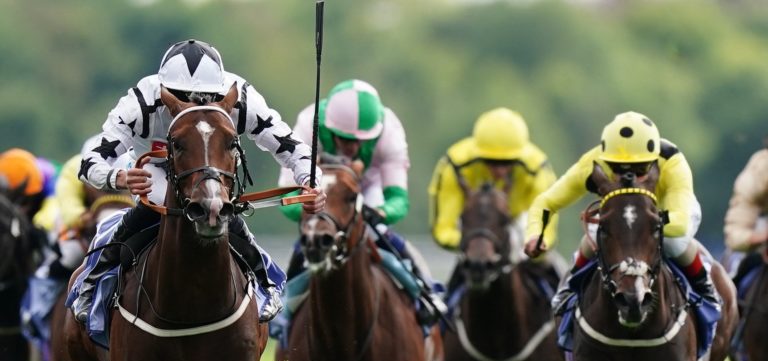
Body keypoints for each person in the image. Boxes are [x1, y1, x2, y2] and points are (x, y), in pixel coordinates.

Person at [72, 39, 325, 324]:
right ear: (164, 90)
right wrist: (119, 177)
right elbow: (88, 162)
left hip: (215, 171)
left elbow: (291, 147)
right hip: (157, 170)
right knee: (154, 203)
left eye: (207, 98)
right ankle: (92, 282)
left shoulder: (242, 97)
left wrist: (312, 181)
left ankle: (266, 281)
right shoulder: (141, 101)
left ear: (221, 91)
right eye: (182, 96)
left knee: (219, 205)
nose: (196, 105)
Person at [277, 78, 446, 324]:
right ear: (329, 128)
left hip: (369, 189)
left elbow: (398, 199)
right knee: (313, 238)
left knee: (380, 235)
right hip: (321, 191)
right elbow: (287, 195)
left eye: (360, 140)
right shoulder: (308, 123)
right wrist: (306, 205)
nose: (352, 147)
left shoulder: (390, 131)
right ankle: (280, 310)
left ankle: (426, 293)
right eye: (344, 139)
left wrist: (381, 212)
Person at [523, 111, 721, 311]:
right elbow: (546, 202)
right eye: (617, 169)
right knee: (593, 237)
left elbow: (679, 223)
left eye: (641, 169)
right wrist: (535, 234)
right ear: (606, 160)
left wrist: (646, 222)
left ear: (654, 161)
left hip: (665, 212)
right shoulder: (593, 163)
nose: (630, 178)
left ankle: (706, 289)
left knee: (674, 242)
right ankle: (568, 288)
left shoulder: (672, 162)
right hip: (619, 216)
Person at [428, 107, 562, 292]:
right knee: (439, 305)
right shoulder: (455, 166)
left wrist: (528, 245)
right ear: (478, 153)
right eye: (490, 162)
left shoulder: (537, 169)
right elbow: (443, 230)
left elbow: (545, 232)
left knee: (562, 278)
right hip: (473, 233)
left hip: (520, 226)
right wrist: (476, 243)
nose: (499, 170)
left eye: (508, 163)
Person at [723, 143, 768, 278]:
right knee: (735, 274)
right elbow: (735, 235)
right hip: (760, 244)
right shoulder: (760, 170)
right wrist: (763, 237)